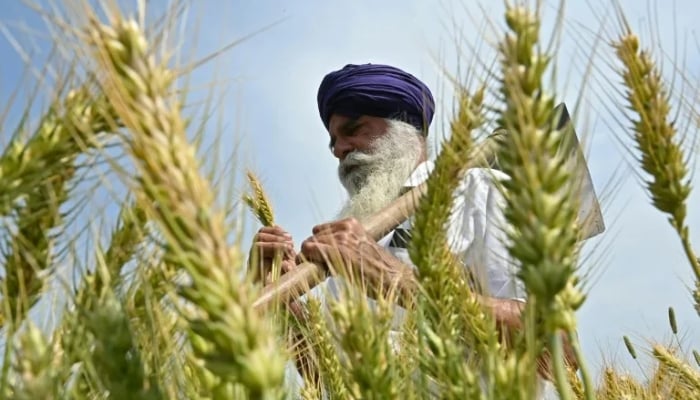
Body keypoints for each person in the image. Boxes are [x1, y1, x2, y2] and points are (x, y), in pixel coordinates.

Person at [249, 63, 569, 399]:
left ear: (403, 128)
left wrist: (392, 279)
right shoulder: (354, 240)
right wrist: (283, 304)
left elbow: (556, 345)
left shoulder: (482, 193)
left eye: (354, 129)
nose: (340, 150)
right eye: (333, 143)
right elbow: (331, 379)